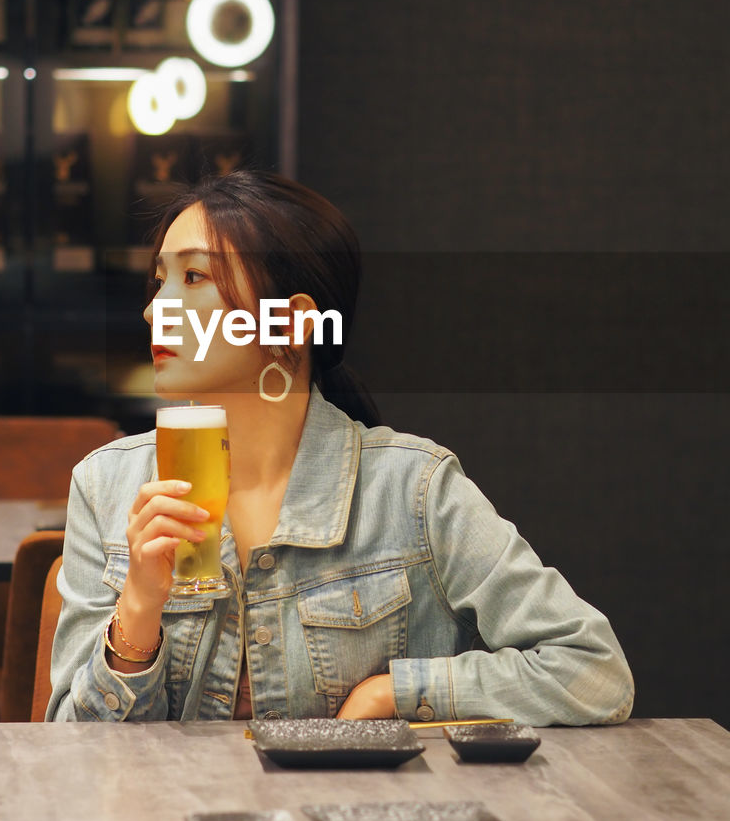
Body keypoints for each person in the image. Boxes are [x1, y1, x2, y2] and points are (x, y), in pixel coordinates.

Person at [47, 170, 634, 726]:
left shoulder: (414, 489)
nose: (155, 309)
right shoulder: (106, 486)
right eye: (159, 280)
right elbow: (71, 749)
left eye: (194, 278)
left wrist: (393, 693)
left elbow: (593, 670)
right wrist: (139, 610)